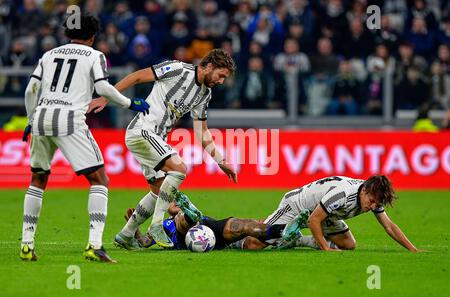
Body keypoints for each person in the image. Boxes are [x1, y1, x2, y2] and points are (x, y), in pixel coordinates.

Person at [20, 13, 150, 263]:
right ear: (92, 37)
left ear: (68, 34)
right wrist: (129, 102)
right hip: (68, 121)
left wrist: (30, 119)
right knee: (99, 178)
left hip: (40, 118)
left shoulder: (48, 55)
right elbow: (101, 89)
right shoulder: (94, 55)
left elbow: (31, 90)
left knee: (37, 179)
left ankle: (27, 244)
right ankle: (95, 245)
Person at [89, 49, 238, 249]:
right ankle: (157, 225)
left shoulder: (204, 94)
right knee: (179, 169)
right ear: (209, 66)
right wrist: (106, 97)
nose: (221, 81)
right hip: (142, 130)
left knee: (158, 191)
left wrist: (221, 161)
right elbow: (137, 76)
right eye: (221, 76)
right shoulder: (177, 69)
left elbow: (202, 132)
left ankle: (125, 235)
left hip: (155, 138)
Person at [242, 175, 422, 252]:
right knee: (253, 244)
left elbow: (389, 226)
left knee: (348, 244)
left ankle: (296, 239)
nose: (372, 206)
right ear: (365, 190)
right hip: (297, 206)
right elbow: (314, 220)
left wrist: (412, 249)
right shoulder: (343, 194)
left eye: (377, 203)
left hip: (326, 214)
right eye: (372, 201)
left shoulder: (371, 196)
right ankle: (242, 228)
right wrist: (325, 248)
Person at [122, 192, 288, 251]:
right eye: (172, 202)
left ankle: (283, 230)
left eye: (177, 202)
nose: (174, 203)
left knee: (242, 226)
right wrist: (135, 228)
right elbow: (143, 242)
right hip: (184, 239)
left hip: (207, 227)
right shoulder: (162, 226)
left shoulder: (169, 221)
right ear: (164, 208)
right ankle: (189, 217)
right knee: (181, 222)